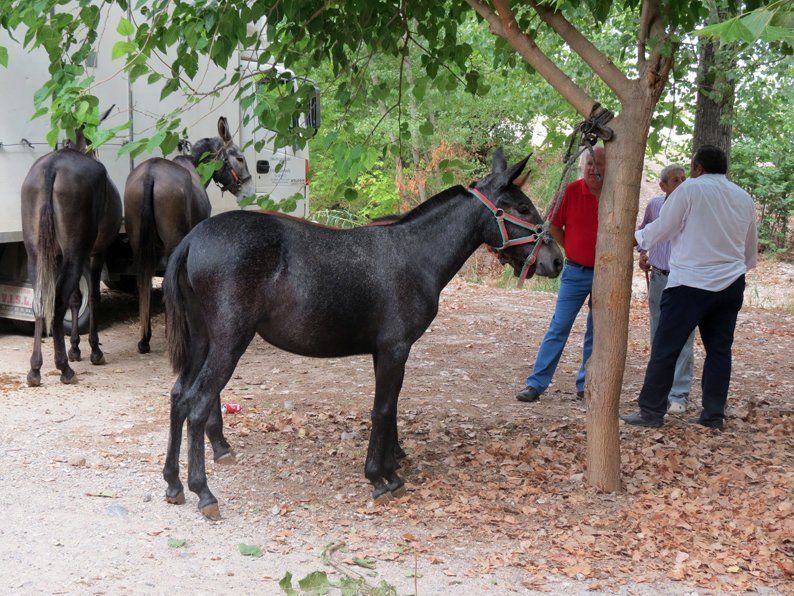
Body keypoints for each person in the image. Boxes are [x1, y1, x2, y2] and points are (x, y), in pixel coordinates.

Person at [622, 145, 758, 430]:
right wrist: (733, 269)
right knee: (719, 350)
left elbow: (663, 227)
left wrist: (634, 240)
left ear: (697, 168)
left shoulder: (690, 190)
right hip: (731, 283)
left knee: (666, 348)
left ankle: (651, 412)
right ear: (725, 169)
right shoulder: (744, 198)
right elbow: (749, 251)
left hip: (689, 284)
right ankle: (712, 416)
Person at [516, 146, 604, 403]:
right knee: (559, 326)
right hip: (576, 272)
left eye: (598, 164)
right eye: (589, 163)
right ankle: (536, 384)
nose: (592, 169)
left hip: (606, 275)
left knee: (596, 331)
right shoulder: (572, 190)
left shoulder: (616, 194)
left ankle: (585, 385)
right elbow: (553, 225)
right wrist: (572, 249)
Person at [637, 164, 694, 414]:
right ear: (663, 185)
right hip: (660, 277)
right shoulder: (655, 205)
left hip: (685, 281)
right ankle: (658, 391)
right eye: (675, 180)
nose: (681, 183)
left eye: (684, 179)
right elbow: (644, 230)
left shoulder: (694, 207)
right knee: (658, 336)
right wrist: (642, 254)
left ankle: (679, 394)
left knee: (684, 338)